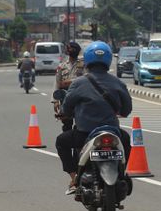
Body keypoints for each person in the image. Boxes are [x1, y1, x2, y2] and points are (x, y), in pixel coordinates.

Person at [55, 41, 132, 195]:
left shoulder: (78, 83)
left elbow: (66, 107)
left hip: (84, 133)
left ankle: (74, 177)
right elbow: (126, 109)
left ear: (88, 60)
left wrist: (64, 112)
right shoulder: (118, 83)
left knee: (61, 141)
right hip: (113, 132)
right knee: (126, 140)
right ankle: (121, 173)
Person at [53, 41, 85, 131]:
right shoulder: (62, 66)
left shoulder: (83, 65)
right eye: (70, 48)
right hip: (65, 98)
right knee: (66, 124)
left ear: (77, 51)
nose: (71, 50)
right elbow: (57, 83)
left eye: (73, 49)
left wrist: (69, 82)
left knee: (80, 124)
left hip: (80, 97)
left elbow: (87, 78)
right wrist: (55, 101)